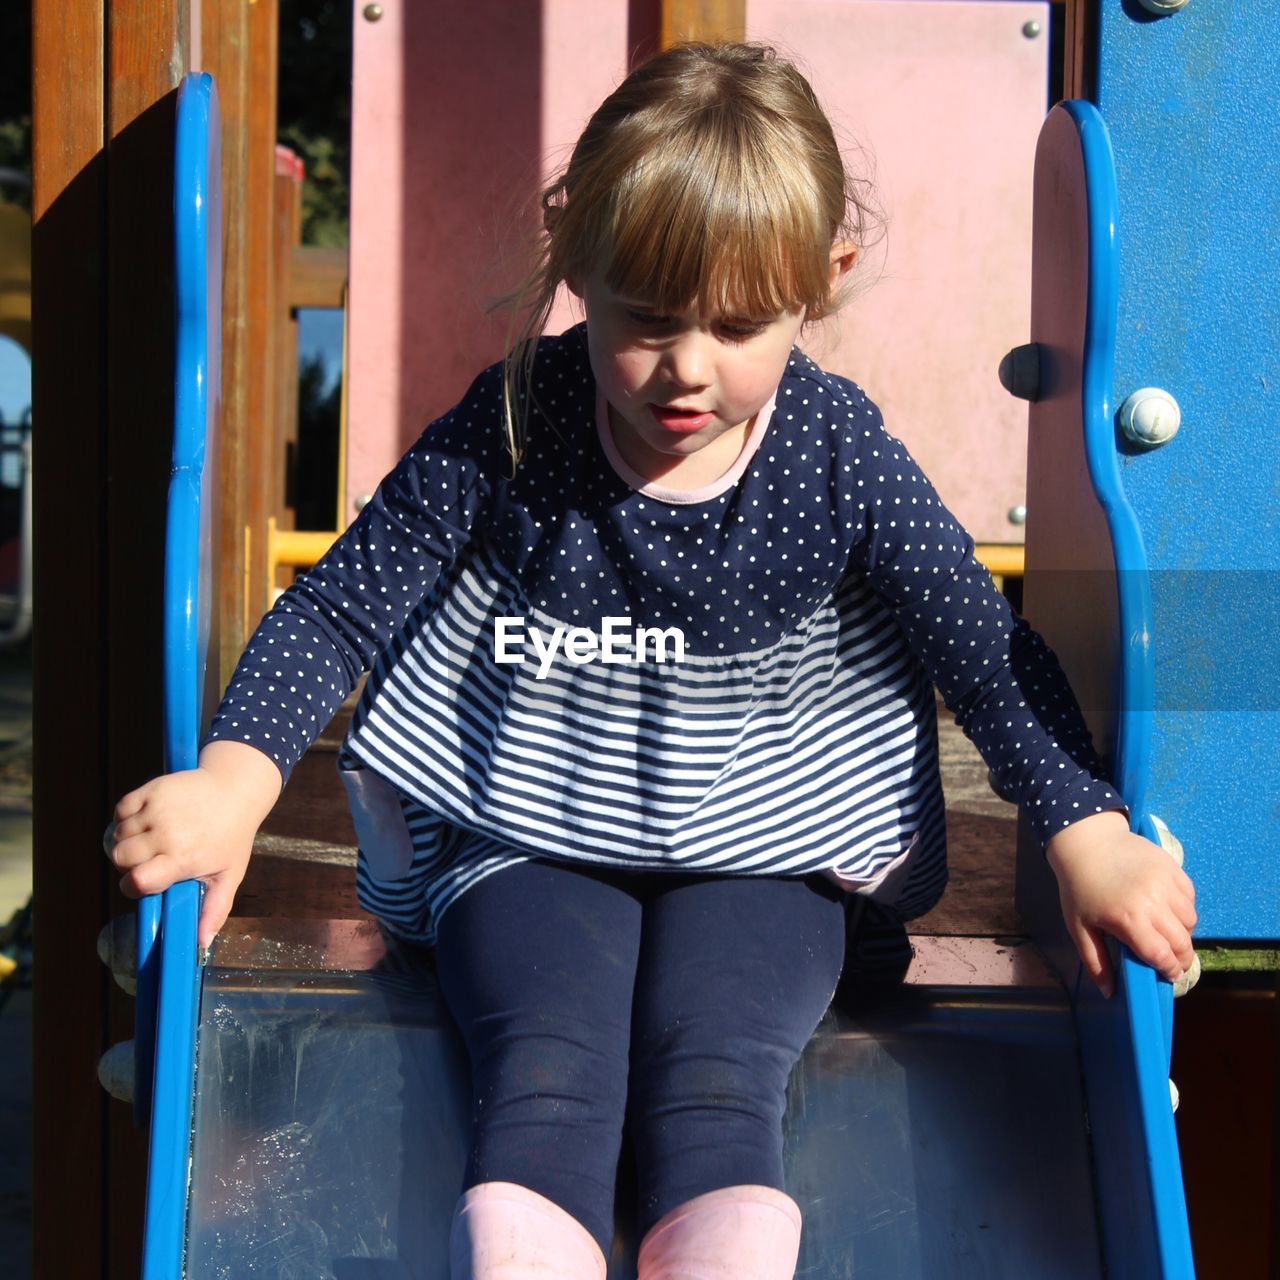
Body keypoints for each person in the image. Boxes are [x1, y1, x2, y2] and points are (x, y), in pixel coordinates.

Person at [104, 42, 1197, 1280]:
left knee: (719, 1064)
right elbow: (339, 605)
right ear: (576, 259)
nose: (686, 366)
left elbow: (981, 648)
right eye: (644, 316)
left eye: (738, 323)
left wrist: (1084, 827)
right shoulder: (521, 414)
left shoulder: (834, 451)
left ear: (820, 282)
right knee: (547, 1059)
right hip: (532, 820)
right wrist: (237, 778)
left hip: (767, 837)